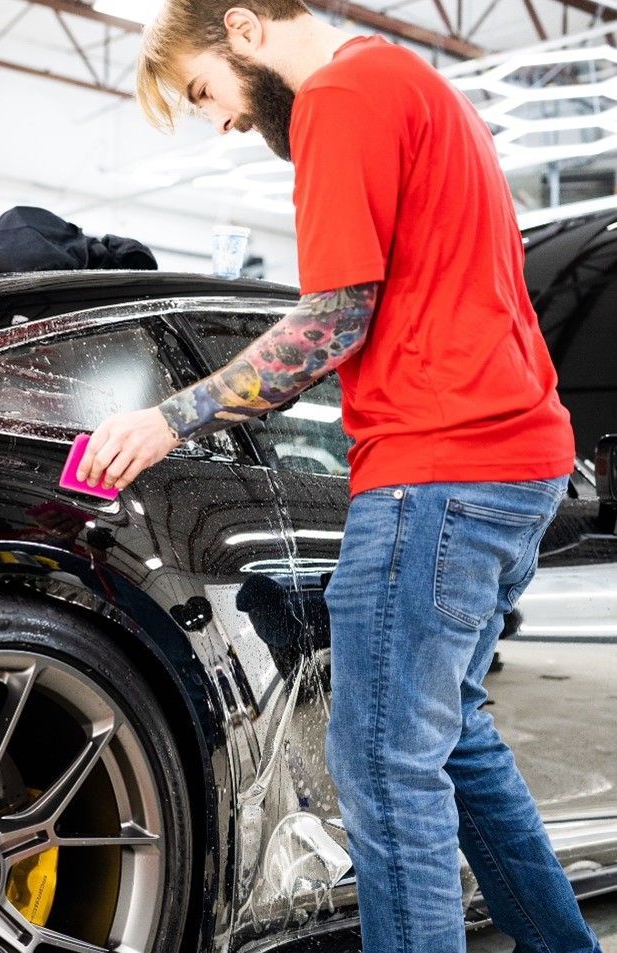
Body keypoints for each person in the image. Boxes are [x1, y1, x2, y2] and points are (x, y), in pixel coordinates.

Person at [74, 4, 603, 951]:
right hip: (518, 462)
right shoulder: (415, 87)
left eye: (207, 92)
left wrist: (171, 417)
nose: (226, 122)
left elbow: (331, 324)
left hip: (438, 471)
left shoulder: (342, 98)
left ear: (242, 29)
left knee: (382, 761)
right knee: (451, 739)